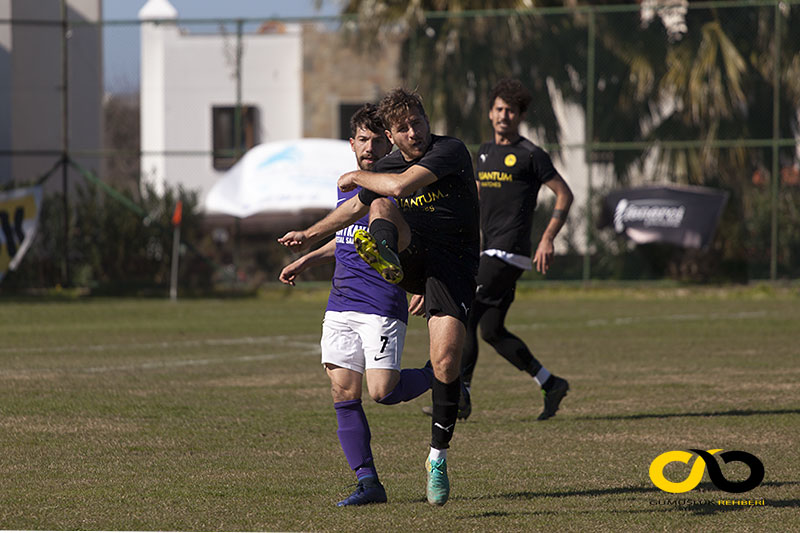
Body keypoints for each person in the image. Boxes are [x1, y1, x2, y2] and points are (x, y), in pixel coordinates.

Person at [280, 88, 480, 506]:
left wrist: (355, 177)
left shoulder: (450, 152)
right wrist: (310, 235)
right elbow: (353, 209)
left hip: (451, 267)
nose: (413, 133)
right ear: (392, 132)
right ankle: (388, 259)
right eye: (403, 128)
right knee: (378, 209)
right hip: (408, 257)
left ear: (427, 121)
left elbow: (402, 185)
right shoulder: (386, 166)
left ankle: (437, 458)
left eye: (417, 124)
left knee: (444, 361)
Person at [456, 78, 574, 421]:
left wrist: (549, 236)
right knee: (491, 330)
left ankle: (460, 397)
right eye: (498, 109)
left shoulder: (531, 155)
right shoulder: (484, 152)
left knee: (464, 315)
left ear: (520, 115)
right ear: (490, 113)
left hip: (509, 252)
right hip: (488, 251)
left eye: (510, 110)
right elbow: (476, 200)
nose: (503, 116)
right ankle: (550, 383)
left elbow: (564, 194)